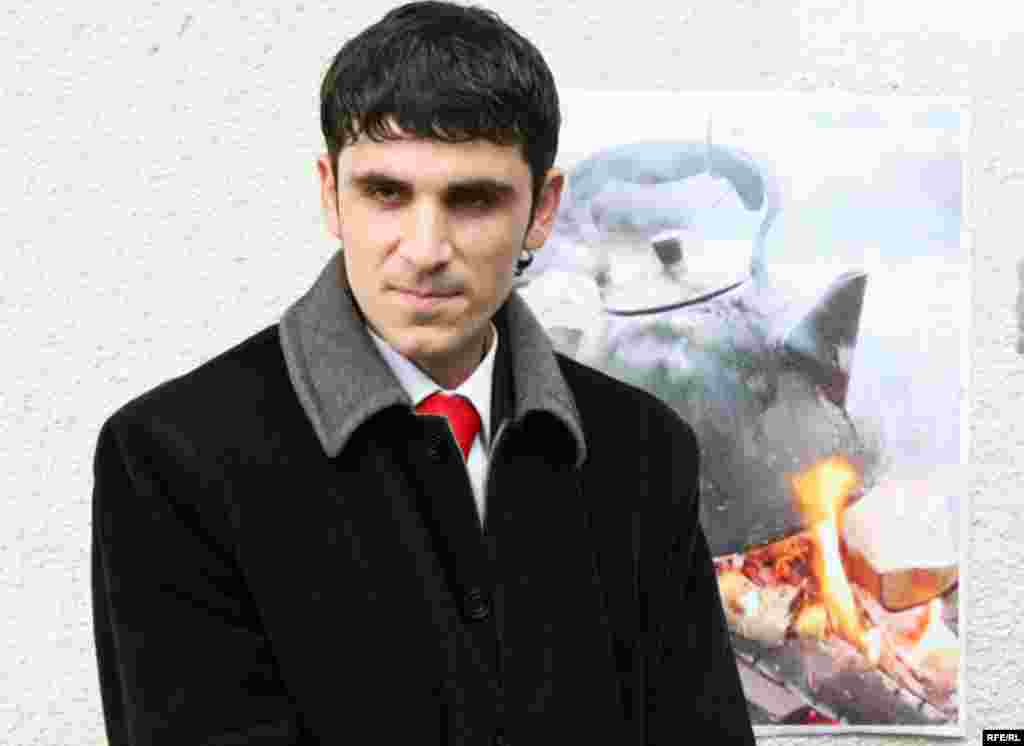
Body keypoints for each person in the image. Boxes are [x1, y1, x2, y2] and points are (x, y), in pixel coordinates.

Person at [90, 2, 756, 743]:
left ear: (543, 209)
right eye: (386, 193)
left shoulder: (644, 450)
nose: (425, 248)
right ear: (329, 193)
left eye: (473, 200)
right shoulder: (172, 459)